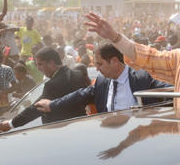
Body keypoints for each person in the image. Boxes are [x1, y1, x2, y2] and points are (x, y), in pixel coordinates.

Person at [34, 43, 171, 114]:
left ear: (115, 61)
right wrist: (52, 104)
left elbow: (168, 92)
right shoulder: (102, 82)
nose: (97, 69)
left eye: (100, 64)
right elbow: (80, 95)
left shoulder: (141, 79)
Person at [0, 46, 87, 133]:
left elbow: (36, 108)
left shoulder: (52, 85)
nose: (38, 68)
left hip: (60, 132)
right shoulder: (77, 74)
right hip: (81, 128)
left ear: (51, 63)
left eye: (40, 64)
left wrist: (11, 124)